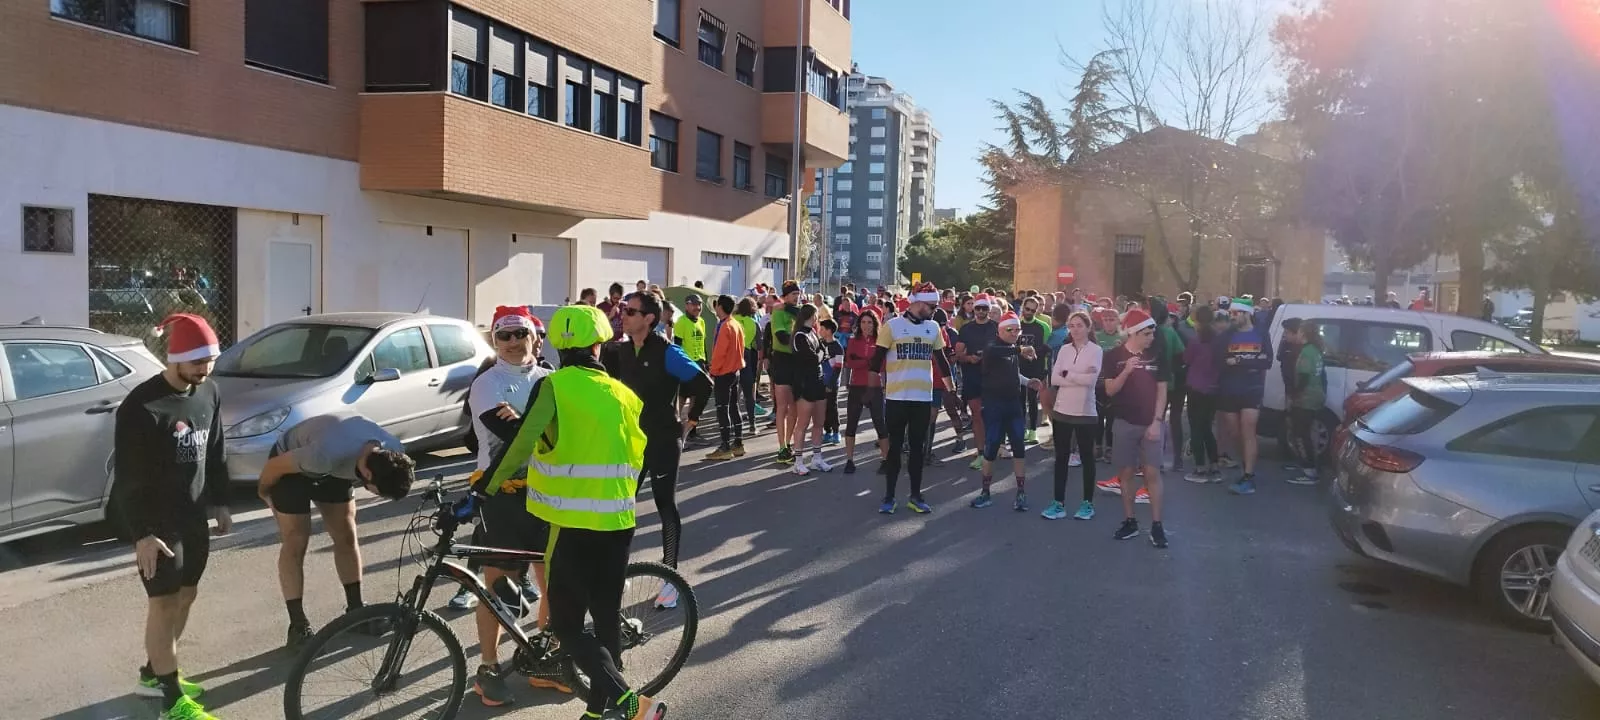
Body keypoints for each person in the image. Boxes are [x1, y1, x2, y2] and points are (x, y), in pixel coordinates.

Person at [472, 304, 666, 720]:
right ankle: (597, 713)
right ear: (599, 345)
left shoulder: (555, 386)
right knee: (606, 620)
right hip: (619, 521)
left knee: (566, 626)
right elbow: (638, 454)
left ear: (556, 345)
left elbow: (521, 443)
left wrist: (482, 491)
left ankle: (632, 704)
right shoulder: (624, 394)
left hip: (571, 524)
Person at [115, 314, 231, 720]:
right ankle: (171, 702)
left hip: (193, 516)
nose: (205, 368)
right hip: (157, 523)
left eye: (210, 360)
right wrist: (142, 534)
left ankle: (154, 675)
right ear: (175, 357)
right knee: (163, 604)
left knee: (186, 596)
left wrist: (221, 502)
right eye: (197, 361)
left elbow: (215, 450)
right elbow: (127, 479)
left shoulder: (209, 392)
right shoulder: (141, 406)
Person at [457, 306, 568, 706]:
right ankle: (488, 668)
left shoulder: (550, 379)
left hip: (546, 493)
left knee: (554, 581)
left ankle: (546, 660)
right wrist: (536, 428)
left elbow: (553, 436)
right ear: (494, 340)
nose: (513, 342)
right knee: (499, 589)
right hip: (501, 495)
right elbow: (515, 436)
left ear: (535, 337)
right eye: (504, 335)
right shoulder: (487, 383)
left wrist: (528, 424)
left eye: (521, 333)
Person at [256, 411, 416, 649]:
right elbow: (273, 467)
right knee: (296, 539)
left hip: (337, 465)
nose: (378, 496)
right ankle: (298, 626)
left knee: (346, 534)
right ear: (368, 474)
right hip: (290, 465)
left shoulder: (393, 450)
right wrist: (264, 492)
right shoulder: (323, 455)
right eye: (379, 492)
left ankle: (356, 612)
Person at [604, 292, 711, 606]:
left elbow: (704, 384)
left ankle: (670, 578)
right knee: (622, 505)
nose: (624, 316)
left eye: (631, 312)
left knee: (665, 505)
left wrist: (691, 419)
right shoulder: (621, 351)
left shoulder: (668, 352)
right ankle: (618, 570)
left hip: (663, 440)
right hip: (630, 442)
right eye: (624, 311)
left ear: (649, 319)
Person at [871, 282, 956, 513]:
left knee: (918, 449)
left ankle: (916, 496)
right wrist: (872, 391)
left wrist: (951, 390)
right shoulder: (892, 326)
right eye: (932, 306)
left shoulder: (933, 328)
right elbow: (876, 361)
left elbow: (941, 361)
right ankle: (889, 497)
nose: (935, 310)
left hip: (922, 398)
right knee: (895, 448)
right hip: (897, 398)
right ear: (918, 303)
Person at [1101, 309, 1169, 548]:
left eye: (1152, 333)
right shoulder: (1113, 356)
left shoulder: (1158, 355)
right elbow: (1110, 390)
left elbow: (1162, 391)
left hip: (1152, 424)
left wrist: (1157, 422)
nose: (1152, 337)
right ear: (1133, 333)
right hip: (1124, 423)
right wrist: (1126, 370)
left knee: (1152, 473)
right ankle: (1130, 521)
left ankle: (1157, 525)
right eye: (1147, 333)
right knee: (1126, 474)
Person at [968, 312, 1043, 512]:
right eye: (1010, 329)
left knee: (1019, 447)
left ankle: (1021, 493)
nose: (1015, 333)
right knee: (991, 447)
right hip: (994, 405)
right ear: (1000, 330)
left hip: (1013, 404)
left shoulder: (1012, 349)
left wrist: (1028, 381)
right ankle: (985, 492)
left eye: (1018, 330)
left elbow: (1012, 372)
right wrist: (1020, 349)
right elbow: (996, 352)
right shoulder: (992, 346)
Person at [1044, 310, 1103, 521]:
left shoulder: (1096, 350)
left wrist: (1068, 374)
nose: (1075, 330)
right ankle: (1058, 503)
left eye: (1079, 325)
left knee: (1087, 458)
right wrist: (1076, 377)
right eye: (1072, 326)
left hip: (1086, 412)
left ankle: (1087, 503)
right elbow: (1054, 378)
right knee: (1061, 458)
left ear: (1088, 327)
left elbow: (1091, 381)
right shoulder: (1064, 350)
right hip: (1062, 411)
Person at [1215, 298, 1273, 495]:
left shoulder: (1261, 333)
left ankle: (1249, 475)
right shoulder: (1226, 336)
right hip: (1229, 388)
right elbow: (1220, 361)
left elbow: (1267, 361)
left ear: (1247, 314)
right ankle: (1245, 464)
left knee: (1248, 429)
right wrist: (1245, 361)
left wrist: (1239, 361)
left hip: (1251, 388)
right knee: (1235, 432)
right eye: (1230, 313)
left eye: (1235, 313)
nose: (1232, 317)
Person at [787, 304, 834, 474]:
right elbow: (813, 357)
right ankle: (798, 461)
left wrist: (820, 355)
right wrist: (819, 356)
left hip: (818, 380)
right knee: (803, 423)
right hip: (804, 383)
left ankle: (817, 458)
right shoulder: (799, 335)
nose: (817, 319)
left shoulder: (813, 333)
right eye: (816, 315)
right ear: (810, 315)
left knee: (819, 422)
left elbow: (823, 354)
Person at [954, 294, 999, 470]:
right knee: (977, 415)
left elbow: (1007, 349)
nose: (980, 311)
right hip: (972, 375)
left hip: (993, 376)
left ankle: (992, 449)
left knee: (992, 415)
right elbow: (958, 354)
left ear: (989, 309)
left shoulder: (996, 327)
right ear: (973, 309)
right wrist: (968, 358)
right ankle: (981, 453)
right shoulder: (966, 329)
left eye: (984, 308)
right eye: (978, 308)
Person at [1281, 318, 1327, 485]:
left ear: (1304, 333)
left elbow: (1304, 377)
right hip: (1315, 396)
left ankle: (1310, 471)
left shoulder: (1307, 352)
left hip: (1306, 398)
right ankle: (1307, 464)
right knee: (1306, 432)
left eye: (1299, 331)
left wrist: (1294, 395)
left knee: (1301, 433)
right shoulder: (1315, 350)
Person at [1182, 305, 1225, 483]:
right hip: (1213, 388)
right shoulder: (1219, 341)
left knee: (1196, 428)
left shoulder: (1195, 340)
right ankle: (1214, 466)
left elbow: (1186, 359)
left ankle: (1199, 468)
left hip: (1195, 387)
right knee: (1207, 427)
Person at [841, 310, 888, 474]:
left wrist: (862, 361)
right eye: (863, 322)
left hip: (874, 387)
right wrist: (869, 362)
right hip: (857, 386)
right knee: (851, 424)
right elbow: (850, 362)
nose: (866, 326)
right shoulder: (853, 341)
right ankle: (849, 460)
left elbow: (882, 366)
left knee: (880, 423)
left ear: (875, 324)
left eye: (869, 322)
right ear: (859, 324)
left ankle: (885, 459)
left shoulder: (880, 341)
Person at [706, 295, 748, 461]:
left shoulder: (724, 326)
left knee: (722, 409)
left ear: (720, 307)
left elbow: (719, 352)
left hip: (723, 372)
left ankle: (725, 446)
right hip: (735, 370)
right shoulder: (736, 324)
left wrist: (713, 370)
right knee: (734, 407)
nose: (715, 308)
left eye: (716, 305)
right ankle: (738, 443)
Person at [766, 281, 804, 464]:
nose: (796, 297)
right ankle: (781, 446)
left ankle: (789, 443)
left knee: (795, 407)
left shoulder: (800, 311)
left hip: (797, 362)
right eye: (793, 294)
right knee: (782, 406)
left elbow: (811, 322)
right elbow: (781, 336)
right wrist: (799, 340)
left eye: (798, 293)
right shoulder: (778, 311)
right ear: (785, 296)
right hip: (781, 360)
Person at [672, 294, 710, 444]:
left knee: (696, 397)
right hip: (685, 364)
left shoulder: (701, 321)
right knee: (681, 398)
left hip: (699, 363)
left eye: (699, 305)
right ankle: (674, 430)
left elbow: (703, 344)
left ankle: (692, 432)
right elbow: (677, 345)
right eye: (694, 305)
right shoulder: (681, 322)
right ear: (687, 306)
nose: (697, 308)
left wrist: (706, 363)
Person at [1017, 297, 1051, 445]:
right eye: (1027, 309)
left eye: (1033, 310)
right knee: (1020, 400)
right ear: (1023, 307)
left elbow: (1047, 346)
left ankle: (1033, 431)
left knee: (1032, 399)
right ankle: (1022, 429)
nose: (1029, 312)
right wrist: (1022, 352)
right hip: (1019, 367)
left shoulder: (1043, 326)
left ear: (1037, 311)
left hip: (1036, 367)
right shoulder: (1016, 324)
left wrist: (1036, 354)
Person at [732, 297, 764, 434]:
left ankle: (733, 424)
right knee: (749, 395)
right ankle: (752, 425)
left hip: (732, 355)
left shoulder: (732, 320)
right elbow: (760, 345)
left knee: (733, 394)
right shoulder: (754, 323)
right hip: (746, 356)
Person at [818, 318, 845, 445]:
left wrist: (831, 383)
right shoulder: (820, 344)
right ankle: (827, 431)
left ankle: (836, 431)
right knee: (822, 408)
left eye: (822, 329)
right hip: (821, 380)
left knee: (832, 407)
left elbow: (838, 367)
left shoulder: (837, 347)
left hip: (832, 383)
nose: (820, 331)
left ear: (829, 331)